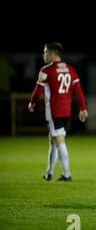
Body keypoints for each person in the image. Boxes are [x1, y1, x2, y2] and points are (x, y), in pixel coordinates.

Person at [28, 42, 88, 181]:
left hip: (54, 111)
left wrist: (32, 103)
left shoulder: (46, 70)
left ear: (53, 53)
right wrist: (83, 108)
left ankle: (67, 174)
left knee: (59, 140)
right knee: (53, 140)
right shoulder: (70, 69)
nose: (43, 55)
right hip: (66, 110)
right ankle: (49, 172)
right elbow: (78, 90)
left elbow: (38, 90)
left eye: (45, 52)